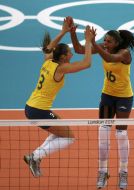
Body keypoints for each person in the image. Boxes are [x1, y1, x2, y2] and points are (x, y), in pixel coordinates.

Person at [69, 17, 134, 189]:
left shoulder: (124, 53)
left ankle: (123, 173)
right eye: (105, 41)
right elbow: (79, 50)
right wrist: (73, 34)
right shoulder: (104, 48)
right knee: (103, 133)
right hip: (107, 96)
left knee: (121, 134)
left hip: (124, 97)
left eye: (108, 41)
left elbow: (109, 58)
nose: (105, 43)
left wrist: (93, 42)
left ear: (116, 42)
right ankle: (102, 172)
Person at [23, 17, 94, 177]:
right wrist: (88, 41)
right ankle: (35, 157)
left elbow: (48, 47)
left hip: (31, 107)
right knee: (69, 138)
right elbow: (87, 63)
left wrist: (64, 31)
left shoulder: (48, 61)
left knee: (61, 131)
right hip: (39, 111)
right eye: (69, 52)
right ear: (63, 57)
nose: (71, 53)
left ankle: (35, 156)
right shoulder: (61, 69)